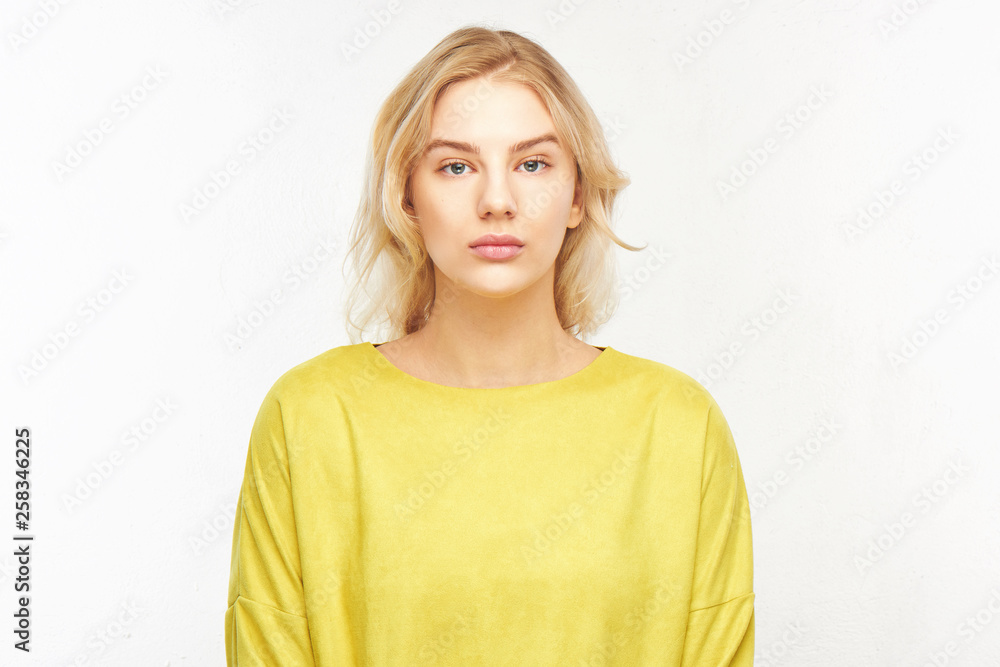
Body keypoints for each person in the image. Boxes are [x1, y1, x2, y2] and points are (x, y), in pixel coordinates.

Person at [225, 24, 754, 666]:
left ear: (577, 195)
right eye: (456, 166)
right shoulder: (311, 416)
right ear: (407, 197)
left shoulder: (677, 425)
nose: (497, 200)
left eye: (533, 164)